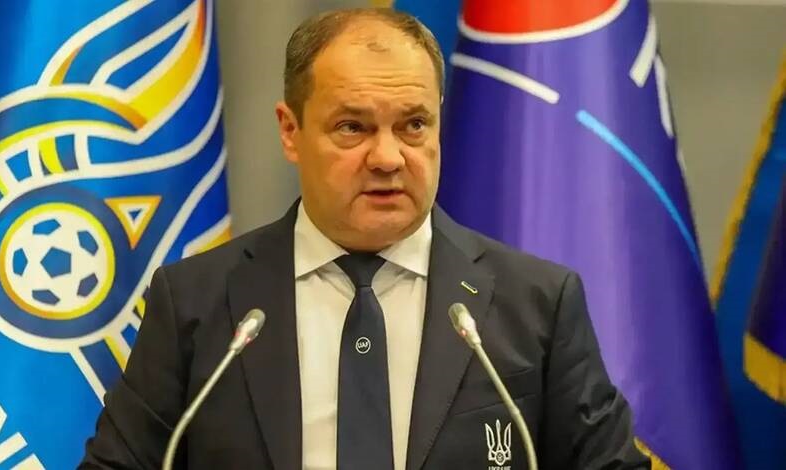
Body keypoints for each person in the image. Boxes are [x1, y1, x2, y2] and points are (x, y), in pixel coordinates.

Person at [80, 8, 650, 470]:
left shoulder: (537, 304)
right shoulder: (198, 301)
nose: (387, 157)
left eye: (413, 125)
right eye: (352, 127)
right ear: (291, 131)